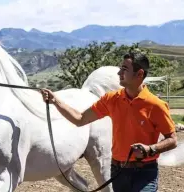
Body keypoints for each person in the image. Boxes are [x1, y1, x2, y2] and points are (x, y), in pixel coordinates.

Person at [40, 52, 177, 192]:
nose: (119, 73)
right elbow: (80, 119)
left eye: (125, 69)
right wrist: (55, 101)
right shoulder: (111, 99)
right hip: (118, 172)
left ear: (139, 74)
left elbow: (172, 140)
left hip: (144, 173)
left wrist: (150, 149)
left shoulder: (156, 105)